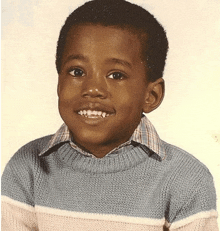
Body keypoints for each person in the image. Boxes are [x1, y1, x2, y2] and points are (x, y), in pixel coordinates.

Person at [1, 0, 218, 230]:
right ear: (58, 82)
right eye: (77, 71)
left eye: (116, 75)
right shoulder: (27, 167)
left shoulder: (185, 178)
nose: (92, 89)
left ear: (151, 95)